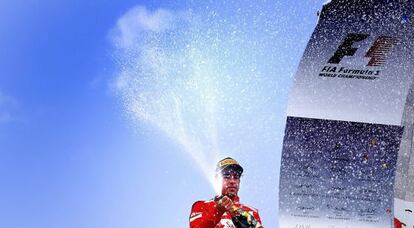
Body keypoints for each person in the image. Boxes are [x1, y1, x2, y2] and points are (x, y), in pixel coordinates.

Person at [189, 157, 263, 228]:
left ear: (239, 181)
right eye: (226, 176)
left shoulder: (251, 211)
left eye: (236, 177)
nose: (232, 181)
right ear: (217, 180)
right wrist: (218, 211)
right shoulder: (202, 206)